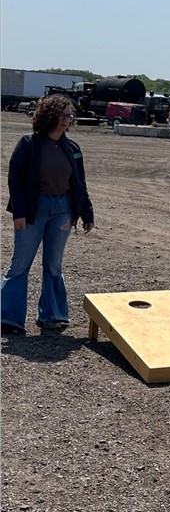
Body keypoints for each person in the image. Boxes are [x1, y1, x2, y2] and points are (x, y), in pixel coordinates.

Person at [1, 95, 95, 335]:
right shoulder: (29, 144)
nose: (66, 120)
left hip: (63, 210)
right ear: (48, 115)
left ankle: (53, 315)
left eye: (69, 116)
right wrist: (19, 212)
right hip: (34, 209)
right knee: (20, 264)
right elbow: (15, 179)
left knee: (54, 264)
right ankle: (7, 317)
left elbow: (79, 183)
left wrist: (87, 212)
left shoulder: (73, 148)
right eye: (62, 115)